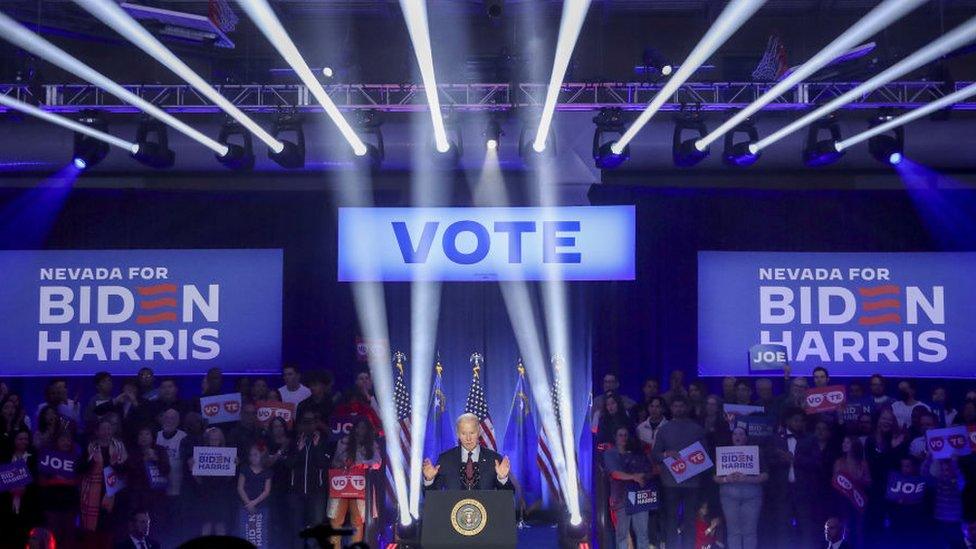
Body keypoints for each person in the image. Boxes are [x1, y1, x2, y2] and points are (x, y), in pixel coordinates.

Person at [652, 395, 707, 549]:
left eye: (681, 406)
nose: (678, 409)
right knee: (671, 520)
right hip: (670, 482)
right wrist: (666, 454)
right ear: (671, 408)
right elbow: (655, 455)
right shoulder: (664, 429)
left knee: (690, 520)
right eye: (675, 406)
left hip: (692, 482)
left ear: (687, 408)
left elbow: (706, 454)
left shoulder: (697, 429)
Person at [328, 417, 382, 549]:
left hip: (360, 485)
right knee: (335, 520)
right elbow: (334, 462)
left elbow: (377, 462)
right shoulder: (344, 442)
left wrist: (361, 465)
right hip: (341, 484)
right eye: (358, 427)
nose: (360, 430)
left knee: (357, 521)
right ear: (354, 429)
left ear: (367, 430)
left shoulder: (372, 444)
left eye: (363, 427)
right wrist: (344, 463)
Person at [423, 413, 512, 491]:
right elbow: (432, 498)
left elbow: (507, 496)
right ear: (458, 434)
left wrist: (502, 478)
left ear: (479, 431)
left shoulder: (494, 459)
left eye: (472, 433)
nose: (468, 438)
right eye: (464, 433)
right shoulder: (445, 459)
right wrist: (429, 480)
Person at [768, 408, 813, 549]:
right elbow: (768, 462)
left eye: (801, 421)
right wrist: (783, 460)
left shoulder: (810, 439)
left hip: (803, 492)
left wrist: (795, 459)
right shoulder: (775, 439)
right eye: (796, 420)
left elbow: (816, 463)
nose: (799, 423)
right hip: (782, 491)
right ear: (787, 421)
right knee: (782, 530)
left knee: (806, 530)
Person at [715, 426, 767, 549]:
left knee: (750, 531)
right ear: (731, 437)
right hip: (729, 496)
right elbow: (714, 476)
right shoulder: (723, 453)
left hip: (752, 496)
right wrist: (726, 479)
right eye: (735, 434)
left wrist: (749, 479)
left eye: (741, 434)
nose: (738, 436)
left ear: (746, 437)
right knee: (733, 531)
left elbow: (766, 474)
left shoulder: (756, 452)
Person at [284, 411, 330, 549]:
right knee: (297, 528)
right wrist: (299, 449)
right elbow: (288, 464)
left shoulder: (323, 442)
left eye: (311, 422)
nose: (308, 425)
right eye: (305, 422)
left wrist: (315, 447)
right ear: (301, 424)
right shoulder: (294, 443)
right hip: (296, 492)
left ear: (316, 423)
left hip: (316, 492)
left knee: (316, 528)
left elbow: (324, 464)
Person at [80, 417, 129, 546]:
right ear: (97, 431)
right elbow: (80, 468)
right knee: (92, 533)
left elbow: (125, 470)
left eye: (109, 428)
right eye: (103, 429)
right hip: (93, 493)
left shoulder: (119, 446)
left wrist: (115, 464)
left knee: (109, 532)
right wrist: (92, 460)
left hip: (114, 494)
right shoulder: (90, 447)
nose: (107, 431)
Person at [604, 426, 652, 549]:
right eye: (620, 435)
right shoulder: (610, 454)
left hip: (639, 498)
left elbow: (648, 471)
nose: (623, 438)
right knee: (622, 535)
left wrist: (643, 476)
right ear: (615, 437)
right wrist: (634, 477)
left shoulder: (636, 454)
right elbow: (615, 473)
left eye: (625, 435)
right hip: (621, 499)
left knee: (642, 534)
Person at [36, 429, 81, 548]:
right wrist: (56, 479)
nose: (66, 442)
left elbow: (80, 480)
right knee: (52, 537)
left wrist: (65, 480)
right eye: (63, 439)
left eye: (68, 440)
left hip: (69, 506)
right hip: (51, 505)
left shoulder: (76, 459)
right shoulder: (46, 457)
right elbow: (41, 481)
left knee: (68, 538)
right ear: (57, 442)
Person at [188, 427, 235, 536]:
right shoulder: (201, 455)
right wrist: (192, 469)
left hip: (222, 496)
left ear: (221, 440)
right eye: (211, 440)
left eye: (216, 439)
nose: (214, 442)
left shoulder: (227, 454)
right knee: (206, 526)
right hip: (206, 495)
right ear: (207, 440)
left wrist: (234, 466)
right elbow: (199, 481)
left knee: (221, 527)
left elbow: (229, 479)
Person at [154, 408, 188, 546]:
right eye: (167, 418)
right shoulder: (155, 436)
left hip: (177, 490)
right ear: (162, 419)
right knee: (160, 524)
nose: (169, 421)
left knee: (176, 525)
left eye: (173, 418)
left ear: (178, 421)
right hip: (158, 491)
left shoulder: (184, 437)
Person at [126, 426, 170, 525]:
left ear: (152, 437)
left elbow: (166, 470)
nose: (143, 437)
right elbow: (130, 471)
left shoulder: (160, 450)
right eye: (141, 434)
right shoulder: (132, 452)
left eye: (147, 434)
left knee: (156, 524)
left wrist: (156, 459)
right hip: (137, 496)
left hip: (156, 496)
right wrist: (143, 460)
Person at [833, 435, 871, 546]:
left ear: (855, 445)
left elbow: (869, 482)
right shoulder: (839, 462)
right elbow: (835, 482)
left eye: (847, 442)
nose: (844, 444)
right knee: (842, 531)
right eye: (843, 442)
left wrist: (857, 482)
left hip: (858, 502)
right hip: (842, 502)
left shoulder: (863, 464)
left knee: (857, 531)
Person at [238, 444, 272, 548]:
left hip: (261, 506)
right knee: (246, 532)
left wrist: (254, 503)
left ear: (262, 456)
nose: (252, 457)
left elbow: (267, 491)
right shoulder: (245, 469)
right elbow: (240, 487)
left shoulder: (267, 472)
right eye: (251, 455)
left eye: (255, 455)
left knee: (260, 533)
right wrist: (248, 503)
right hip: (245, 506)